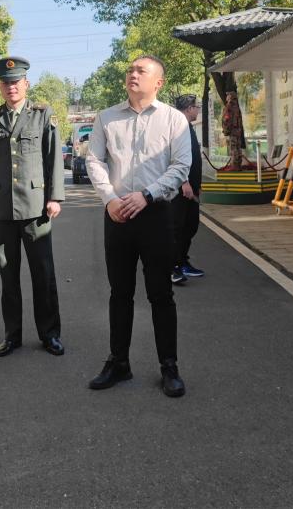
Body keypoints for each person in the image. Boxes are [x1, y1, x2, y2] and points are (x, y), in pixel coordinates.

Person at [85, 55, 192, 397]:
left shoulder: (174, 120)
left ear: (158, 82)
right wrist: (109, 199)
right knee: (120, 293)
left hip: (157, 215)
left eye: (140, 71)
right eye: (130, 69)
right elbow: (94, 160)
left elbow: (181, 166)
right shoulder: (107, 117)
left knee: (161, 294)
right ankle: (119, 363)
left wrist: (148, 195)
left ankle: (169, 367)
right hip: (117, 215)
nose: (132, 74)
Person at [0, 56, 65, 358]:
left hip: (37, 208)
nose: (11, 87)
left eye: (16, 82)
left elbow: (52, 159)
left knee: (43, 273)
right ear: (0, 87)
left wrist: (55, 197)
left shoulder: (42, 116)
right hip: (3, 208)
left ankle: (50, 334)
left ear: (26, 84)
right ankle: (12, 335)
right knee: (7, 275)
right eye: (5, 83)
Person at [170, 94, 204, 284]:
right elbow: (174, 157)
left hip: (192, 188)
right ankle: (172, 265)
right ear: (189, 108)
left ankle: (182, 261)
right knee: (177, 228)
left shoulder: (187, 126)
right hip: (181, 189)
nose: (198, 110)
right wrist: (184, 182)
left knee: (190, 226)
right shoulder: (177, 126)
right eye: (196, 107)